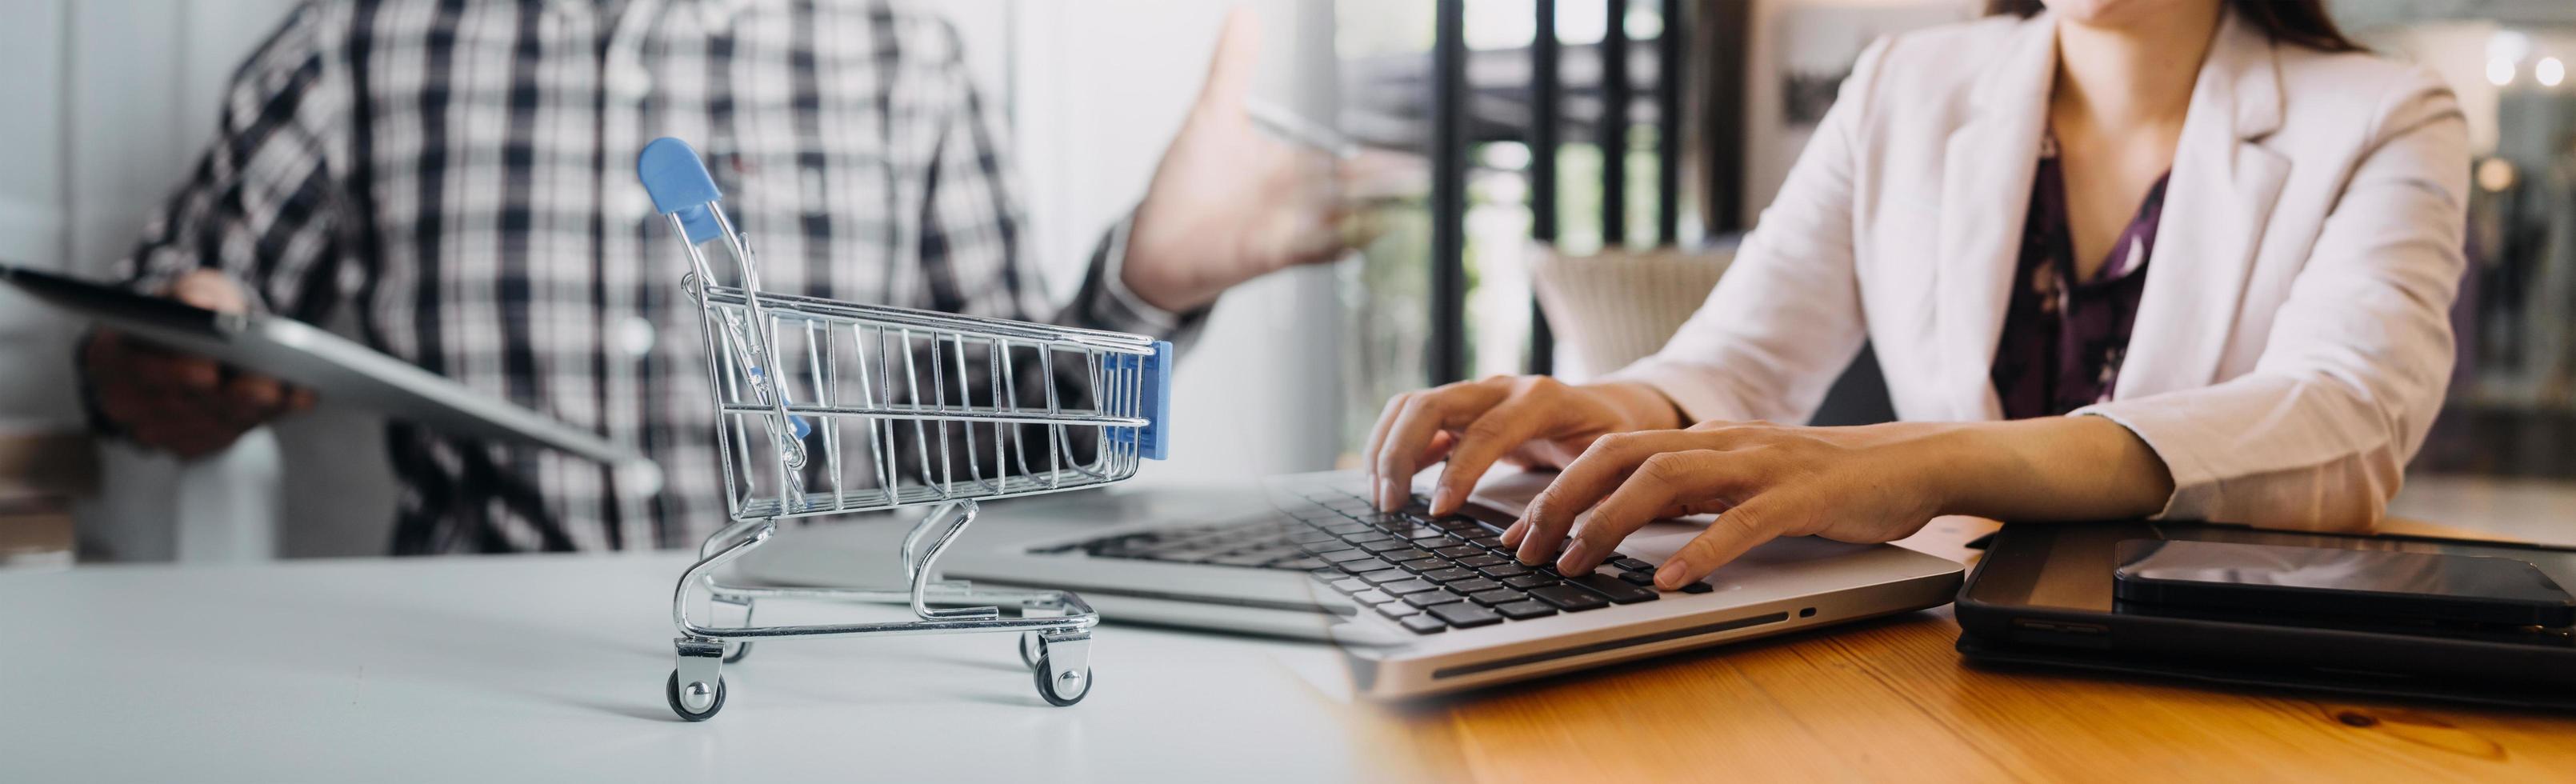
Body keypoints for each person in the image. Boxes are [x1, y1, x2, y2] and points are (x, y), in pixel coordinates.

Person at [78, 2, 1354, 554]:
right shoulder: (363, 42)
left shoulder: (902, 58)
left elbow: (1004, 427)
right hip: (477, 672)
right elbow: (158, 326)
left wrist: (1147, 283)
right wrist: (159, 367)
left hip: (833, 679)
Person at [1364, 0, 2467, 590]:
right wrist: (1628, 409)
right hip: (1931, 647)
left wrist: (1917, 462)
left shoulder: (2386, 115)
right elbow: (1743, 358)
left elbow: (2343, 424)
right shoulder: (1908, 81)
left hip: (2202, 667)